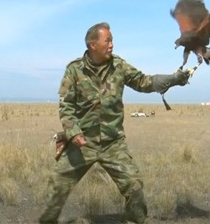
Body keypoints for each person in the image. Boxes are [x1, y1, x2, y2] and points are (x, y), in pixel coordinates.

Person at [39, 22, 190, 223]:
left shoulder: (119, 66)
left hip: (113, 143)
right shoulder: (74, 70)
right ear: (93, 44)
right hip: (82, 143)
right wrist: (73, 132)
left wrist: (173, 79)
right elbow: (66, 105)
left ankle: (136, 221)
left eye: (112, 40)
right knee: (57, 189)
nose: (112, 44)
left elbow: (144, 82)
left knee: (134, 186)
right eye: (107, 40)